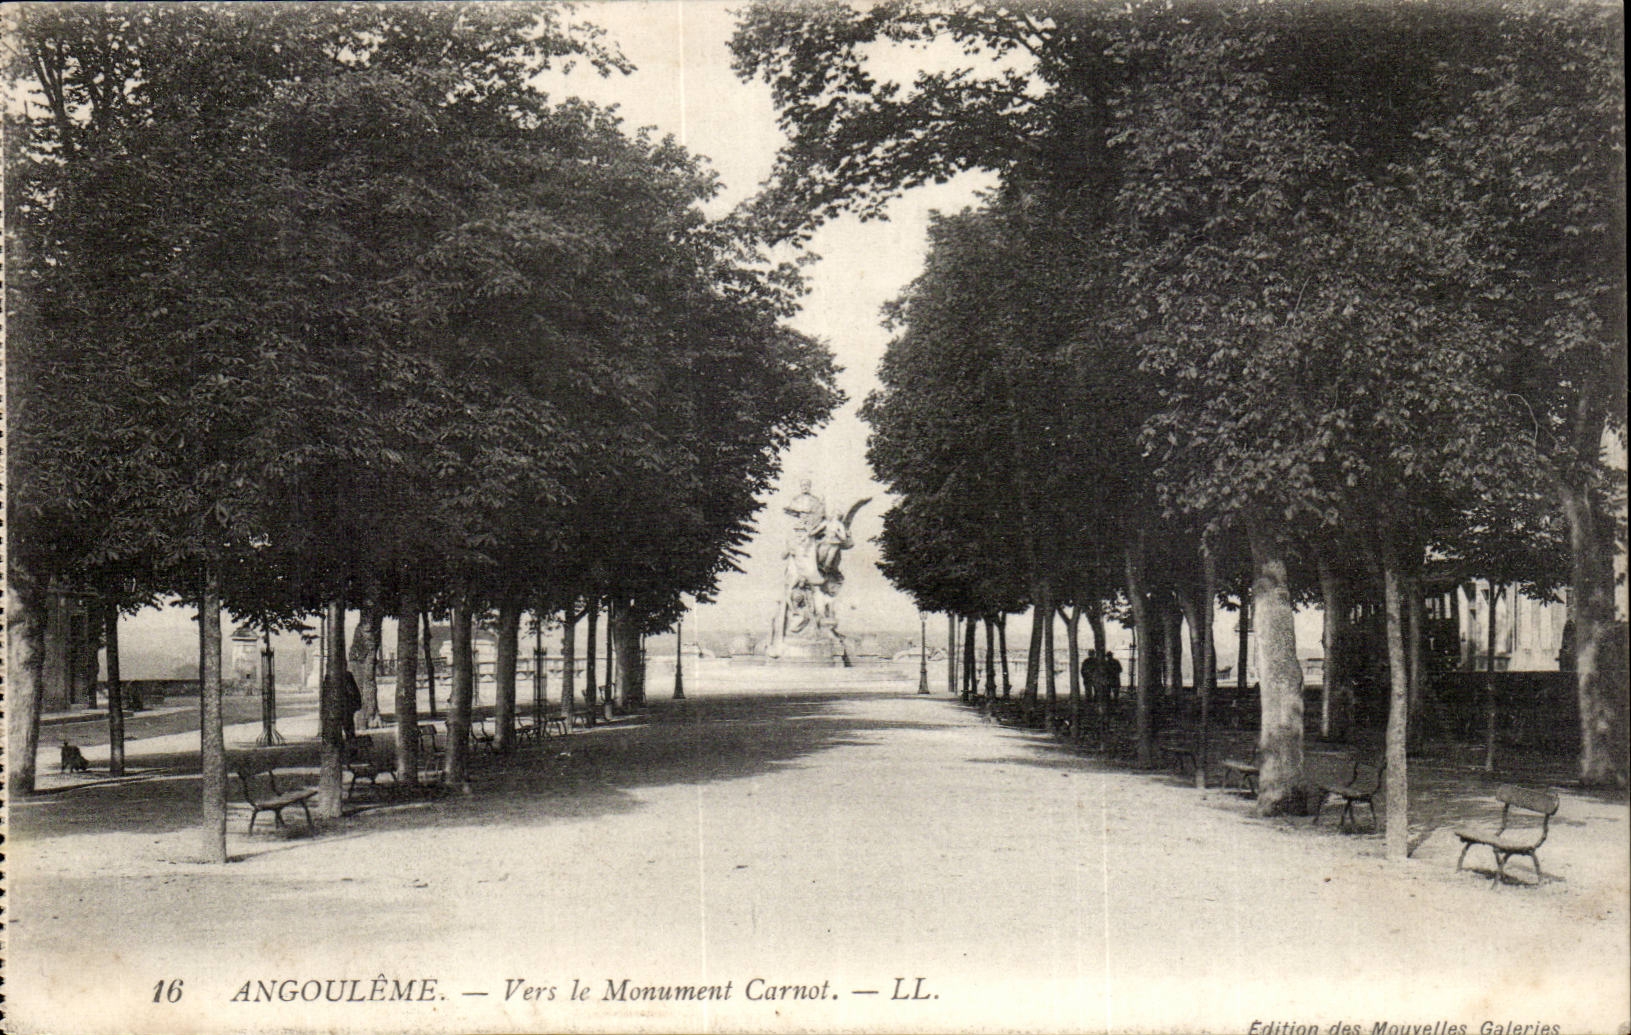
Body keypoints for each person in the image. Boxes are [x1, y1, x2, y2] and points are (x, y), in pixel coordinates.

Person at [342, 670, 362, 742]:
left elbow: (352, 690)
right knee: (348, 720)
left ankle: (350, 736)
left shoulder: (347, 675)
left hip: (347, 702)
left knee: (348, 720)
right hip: (347, 703)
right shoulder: (347, 675)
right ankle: (350, 736)